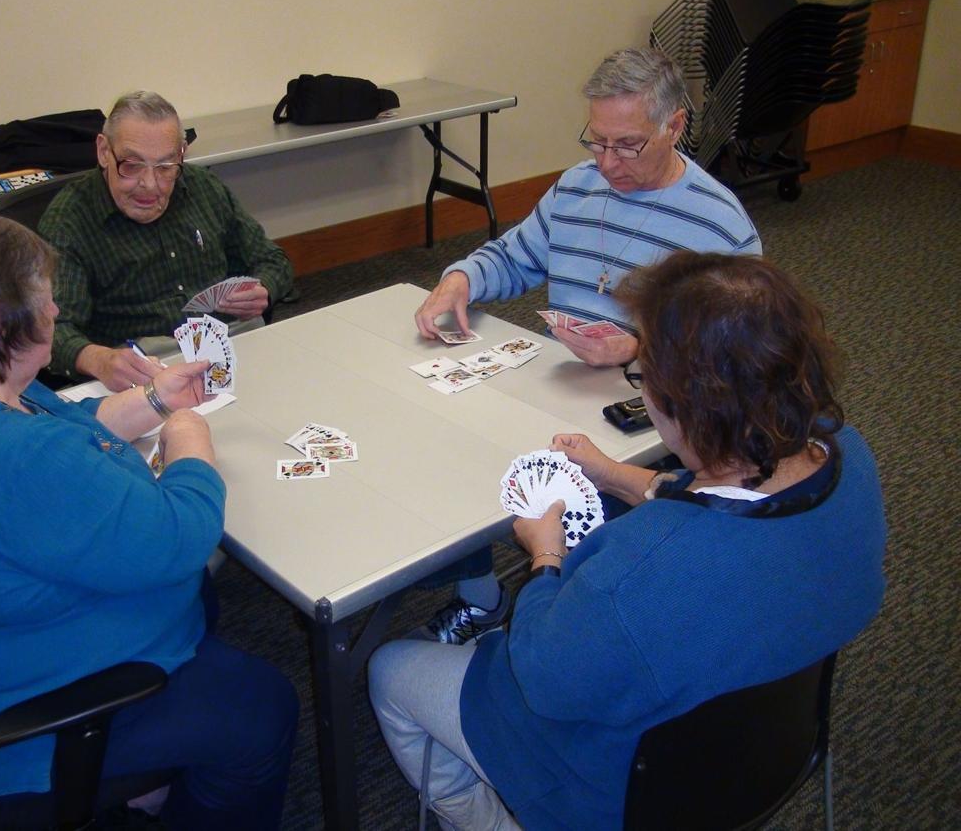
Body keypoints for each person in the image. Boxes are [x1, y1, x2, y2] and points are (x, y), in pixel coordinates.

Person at [369, 251, 887, 830]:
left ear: (684, 408)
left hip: (627, 793)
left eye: (644, 378)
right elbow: (718, 494)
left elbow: (540, 676)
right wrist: (615, 474)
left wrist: (545, 557)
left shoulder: (640, 570)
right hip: (774, 731)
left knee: (389, 668)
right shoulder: (848, 455)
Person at [0, 213, 298, 829]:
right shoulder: (15, 459)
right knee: (263, 711)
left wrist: (154, 401)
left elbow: (63, 425)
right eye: (46, 302)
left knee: (203, 611)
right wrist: (187, 436)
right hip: (3, 728)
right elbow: (181, 536)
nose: (56, 311)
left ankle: (146, 782)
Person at [410, 47, 761, 643]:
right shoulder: (578, 186)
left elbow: (741, 358)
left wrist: (639, 348)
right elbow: (515, 257)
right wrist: (461, 278)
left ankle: (564, 618)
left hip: (651, 424)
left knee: (584, 534)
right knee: (441, 445)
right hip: (557, 389)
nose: (607, 163)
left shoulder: (719, 225)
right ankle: (482, 596)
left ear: (674, 127)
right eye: (595, 142)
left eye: (627, 145)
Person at [38, 90, 295, 392]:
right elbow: (49, 329)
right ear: (104, 152)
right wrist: (97, 359)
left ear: (181, 155)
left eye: (165, 167)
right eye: (132, 166)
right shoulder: (69, 221)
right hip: (139, 369)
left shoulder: (203, 187)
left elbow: (273, 260)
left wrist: (264, 288)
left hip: (228, 344)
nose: (149, 185)